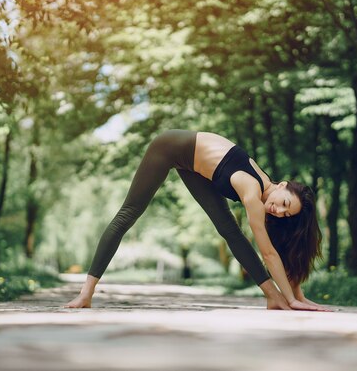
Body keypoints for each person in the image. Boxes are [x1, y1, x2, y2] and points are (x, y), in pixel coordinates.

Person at [63, 129, 331, 311]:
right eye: (284, 203)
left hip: (197, 167)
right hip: (169, 147)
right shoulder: (252, 191)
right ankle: (86, 293)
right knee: (128, 214)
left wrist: (296, 294)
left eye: (286, 213)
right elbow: (269, 253)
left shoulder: (265, 190)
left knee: (229, 229)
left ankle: (275, 298)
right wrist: (284, 299)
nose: (278, 211)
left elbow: (278, 246)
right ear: (282, 185)